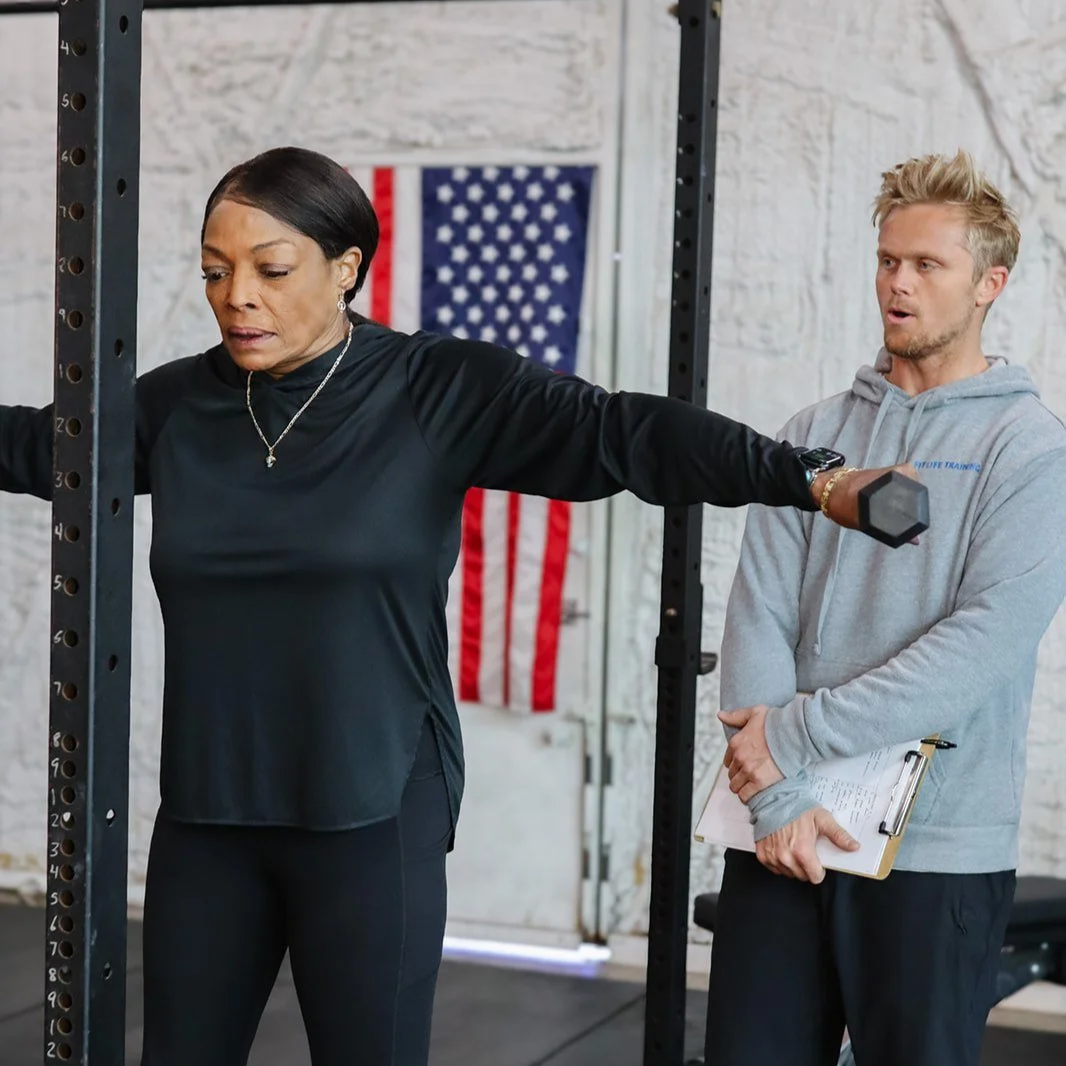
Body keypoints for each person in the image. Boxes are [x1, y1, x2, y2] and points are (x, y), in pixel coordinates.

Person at [2, 146, 907, 1066]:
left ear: (346, 268)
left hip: (374, 807)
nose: (239, 294)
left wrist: (806, 477)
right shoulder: (177, 407)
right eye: (215, 271)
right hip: (211, 812)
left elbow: (618, 430)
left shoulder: (433, 390)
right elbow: (39, 448)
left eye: (271, 270)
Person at [705, 149, 1066, 1066]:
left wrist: (791, 738)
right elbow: (758, 612)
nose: (896, 284)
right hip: (780, 828)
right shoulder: (813, 435)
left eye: (926, 266)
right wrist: (777, 792)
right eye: (887, 260)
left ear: (990, 282)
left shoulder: (1027, 450)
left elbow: (980, 645)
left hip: (935, 849)